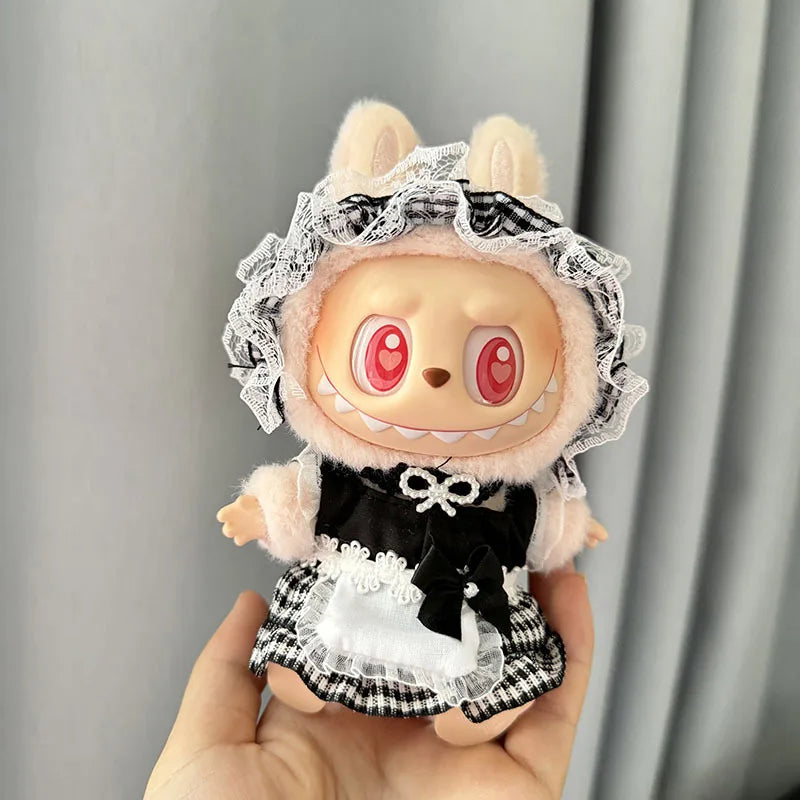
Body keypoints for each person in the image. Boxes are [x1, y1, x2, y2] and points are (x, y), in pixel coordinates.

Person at [144, 563, 592, 799]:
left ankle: (480, 706)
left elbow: (546, 519)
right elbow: (302, 499)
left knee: (485, 641)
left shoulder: (508, 483)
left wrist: (564, 526)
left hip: (464, 590)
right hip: (365, 569)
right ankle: (309, 669)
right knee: (338, 618)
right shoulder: (346, 467)